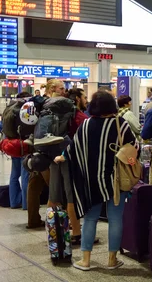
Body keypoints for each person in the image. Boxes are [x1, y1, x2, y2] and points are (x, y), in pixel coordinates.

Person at [68, 91, 137, 271]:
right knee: (115, 219)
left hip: (91, 182)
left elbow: (73, 149)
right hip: (116, 181)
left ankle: (85, 260)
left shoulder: (85, 125)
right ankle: (112, 260)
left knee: (90, 219)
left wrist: (61, 157)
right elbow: (134, 147)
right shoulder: (119, 124)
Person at [49, 88, 95, 246]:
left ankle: (53, 230)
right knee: (71, 196)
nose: (86, 99)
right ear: (77, 99)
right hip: (69, 159)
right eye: (84, 97)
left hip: (53, 155)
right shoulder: (79, 117)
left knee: (54, 194)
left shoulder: (55, 114)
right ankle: (76, 232)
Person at [26, 79, 65, 229]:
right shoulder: (52, 106)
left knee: (34, 186)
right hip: (47, 153)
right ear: (53, 89)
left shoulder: (37, 105)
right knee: (55, 189)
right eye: (61, 88)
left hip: (34, 149)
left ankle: (33, 220)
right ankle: (58, 224)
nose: (64, 91)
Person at [7, 92, 32, 210]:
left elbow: (0, 126)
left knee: (14, 175)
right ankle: (26, 204)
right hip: (24, 145)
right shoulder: (25, 108)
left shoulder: (10, 108)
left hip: (12, 145)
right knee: (25, 175)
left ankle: (13, 202)